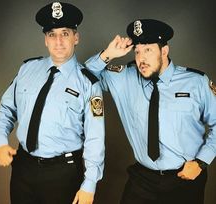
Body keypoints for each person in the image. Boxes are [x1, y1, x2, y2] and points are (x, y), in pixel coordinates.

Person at [85, 19, 216, 204]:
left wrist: (201, 162)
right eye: (137, 51)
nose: (141, 59)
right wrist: (108, 53)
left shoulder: (196, 82)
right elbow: (84, 76)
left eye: (148, 50)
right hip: (143, 180)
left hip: (185, 178)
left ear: (164, 51)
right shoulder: (125, 77)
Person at [0, 2, 105, 204]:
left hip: (63, 173)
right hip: (23, 167)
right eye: (52, 34)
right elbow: (6, 110)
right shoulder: (27, 69)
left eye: (65, 33)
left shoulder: (88, 84)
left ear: (76, 37)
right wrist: (0, 142)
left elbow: (95, 139)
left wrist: (90, 184)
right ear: (45, 39)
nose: (58, 41)